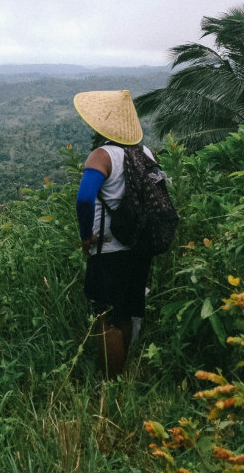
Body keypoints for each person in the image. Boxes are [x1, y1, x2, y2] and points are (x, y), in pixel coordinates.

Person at [72, 89, 154, 379]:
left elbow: (84, 199)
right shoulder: (145, 153)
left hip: (108, 250)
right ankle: (122, 378)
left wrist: (86, 235)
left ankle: (109, 383)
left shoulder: (102, 155)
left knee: (107, 318)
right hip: (140, 247)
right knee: (128, 312)